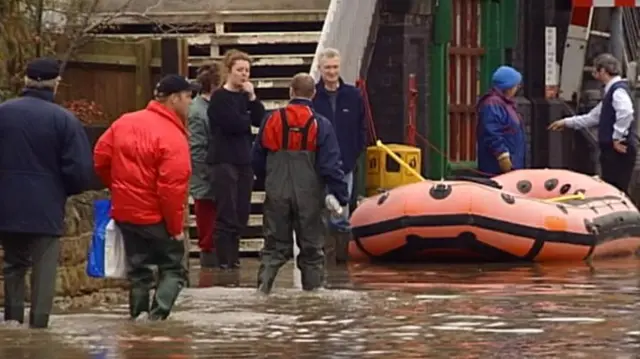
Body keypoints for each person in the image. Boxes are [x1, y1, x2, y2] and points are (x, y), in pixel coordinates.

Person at [0, 57, 93, 328]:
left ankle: (12, 322)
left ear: (26, 81)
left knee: (13, 264)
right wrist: (63, 191)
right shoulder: (64, 120)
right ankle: (39, 327)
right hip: (46, 204)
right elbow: (79, 170)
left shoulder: (3, 113)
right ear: (56, 84)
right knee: (44, 269)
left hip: (6, 203)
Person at [94, 74, 195, 321]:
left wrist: (120, 189)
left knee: (139, 271)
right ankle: (156, 319)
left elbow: (100, 158)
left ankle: (137, 320)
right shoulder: (173, 136)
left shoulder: (124, 122)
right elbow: (171, 189)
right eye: (188, 97)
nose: (190, 103)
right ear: (174, 98)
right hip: (156, 216)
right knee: (173, 269)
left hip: (126, 213)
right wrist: (175, 228)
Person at [253, 73, 349, 294]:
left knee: (274, 248)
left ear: (290, 92)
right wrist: (341, 196)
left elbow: (256, 157)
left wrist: (266, 182)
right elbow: (331, 165)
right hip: (310, 195)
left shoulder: (271, 119)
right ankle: (313, 300)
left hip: (277, 191)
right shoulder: (320, 124)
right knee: (312, 251)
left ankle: (262, 291)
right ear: (314, 94)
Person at [207, 50, 265, 270]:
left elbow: (260, 120)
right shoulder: (220, 98)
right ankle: (224, 259)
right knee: (226, 210)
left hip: (243, 159)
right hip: (223, 159)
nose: (244, 75)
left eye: (247, 71)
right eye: (240, 70)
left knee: (242, 210)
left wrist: (252, 98)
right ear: (229, 71)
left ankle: (235, 256)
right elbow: (233, 124)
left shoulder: (245, 97)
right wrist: (246, 119)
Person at [549, 53, 637, 193]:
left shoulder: (617, 90)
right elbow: (593, 117)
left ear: (603, 70)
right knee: (613, 188)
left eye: (595, 70)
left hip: (617, 150)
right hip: (613, 150)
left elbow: (626, 112)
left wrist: (617, 137)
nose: (594, 74)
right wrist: (566, 122)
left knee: (616, 189)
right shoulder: (611, 92)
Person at [312, 48, 367, 215]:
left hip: (345, 163)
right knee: (318, 213)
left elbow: (362, 126)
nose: (332, 72)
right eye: (327, 68)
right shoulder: (312, 97)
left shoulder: (354, 95)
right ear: (320, 69)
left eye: (335, 67)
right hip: (318, 165)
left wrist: (354, 151)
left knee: (341, 214)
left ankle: (341, 241)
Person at [189, 64, 221, 268]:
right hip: (206, 176)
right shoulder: (197, 111)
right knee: (207, 220)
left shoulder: (212, 107)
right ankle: (209, 262)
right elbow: (197, 149)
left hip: (215, 172)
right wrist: (208, 174)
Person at [476, 65, 525, 175]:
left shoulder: (505, 104)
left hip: (512, 163)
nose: (517, 88)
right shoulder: (493, 104)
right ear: (508, 86)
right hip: (496, 168)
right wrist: (502, 155)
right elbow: (491, 132)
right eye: (516, 85)